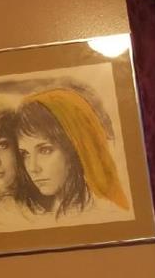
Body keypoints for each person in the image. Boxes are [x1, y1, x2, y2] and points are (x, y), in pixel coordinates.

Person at [15, 88, 131, 220]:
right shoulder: (34, 214)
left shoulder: (108, 213)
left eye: (45, 150)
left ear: (75, 149)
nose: (33, 168)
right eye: (25, 154)